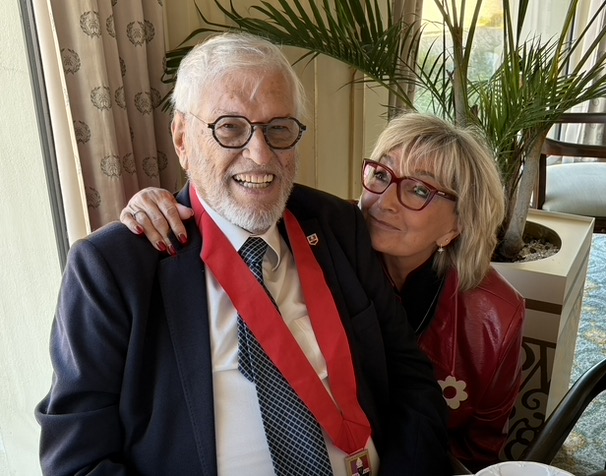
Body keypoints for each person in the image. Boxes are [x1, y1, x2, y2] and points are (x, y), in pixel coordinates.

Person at [35, 32, 451, 475]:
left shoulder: (338, 227)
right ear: (182, 138)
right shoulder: (112, 268)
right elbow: (77, 461)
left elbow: (410, 376)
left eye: (279, 129)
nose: (260, 154)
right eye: (230, 128)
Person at [121, 112, 525, 472]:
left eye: (419, 190)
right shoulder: (330, 232)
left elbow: (480, 451)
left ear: (458, 225)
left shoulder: (496, 316)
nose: (384, 202)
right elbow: (248, 193)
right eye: (381, 175)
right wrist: (158, 202)